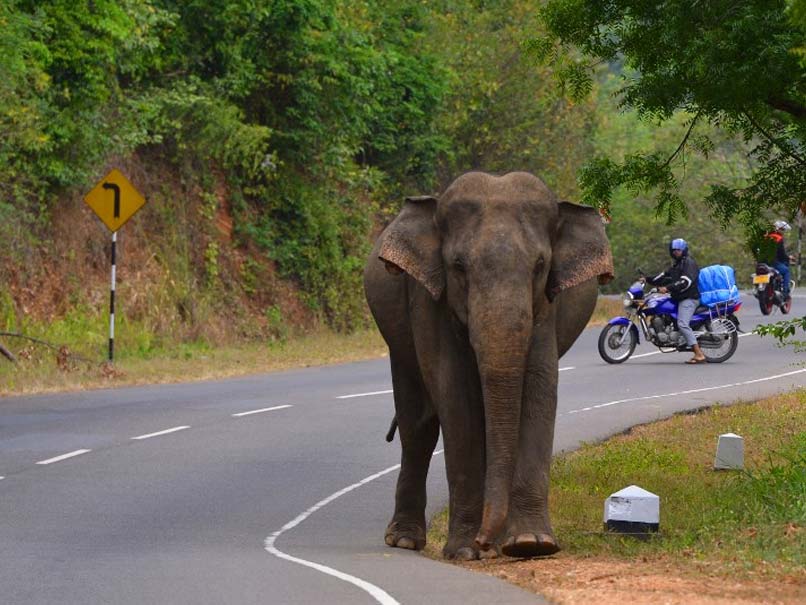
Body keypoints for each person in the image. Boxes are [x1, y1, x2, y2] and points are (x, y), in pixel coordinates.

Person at [644, 238, 705, 364]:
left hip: (689, 299)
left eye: (679, 250)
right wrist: (646, 279)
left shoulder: (689, 263)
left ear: (684, 250)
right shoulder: (675, 265)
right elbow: (662, 277)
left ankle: (699, 354)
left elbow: (685, 282)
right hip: (678, 298)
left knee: (682, 323)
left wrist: (667, 288)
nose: (676, 252)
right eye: (674, 250)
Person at [764, 220, 795, 300]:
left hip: (762, 262)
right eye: (782, 230)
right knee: (786, 271)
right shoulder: (778, 238)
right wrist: (789, 258)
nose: (783, 232)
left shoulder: (766, 236)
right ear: (778, 229)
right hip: (773, 263)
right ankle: (785, 294)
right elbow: (781, 254)